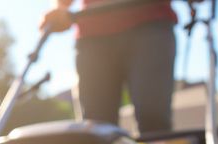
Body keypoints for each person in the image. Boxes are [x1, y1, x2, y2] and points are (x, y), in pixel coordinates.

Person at [41, 0, 177, 134]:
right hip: (92, 34)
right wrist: (60, 8)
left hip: (150, 24)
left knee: (152, 117)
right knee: (94, 126)